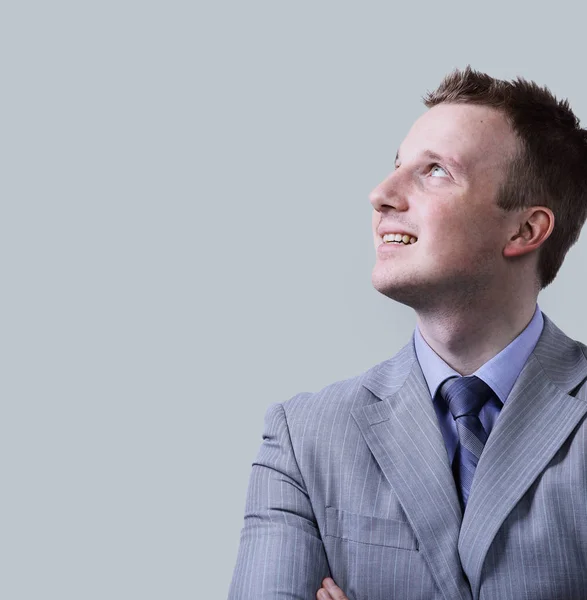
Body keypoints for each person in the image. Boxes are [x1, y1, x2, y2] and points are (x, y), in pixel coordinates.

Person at [228, 67, 587, 600]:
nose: (381, 194)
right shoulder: (302, 439)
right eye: (396, 166)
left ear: (525, 230)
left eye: (436, 171)